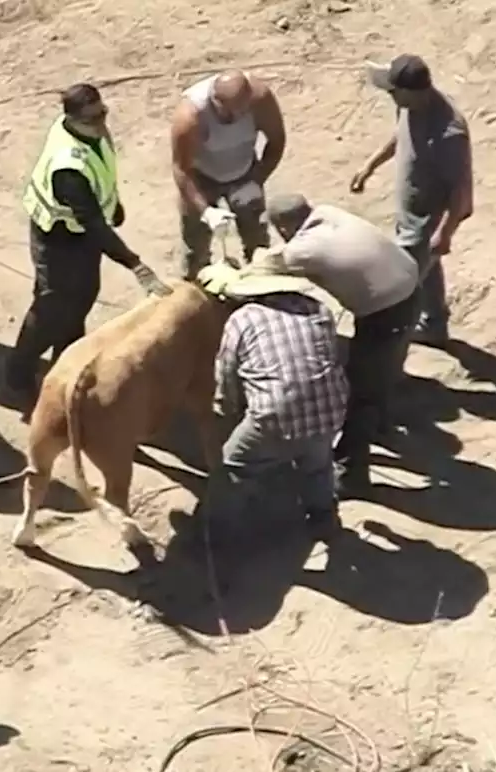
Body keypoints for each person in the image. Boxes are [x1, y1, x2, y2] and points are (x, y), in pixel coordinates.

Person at [6, 83, 171, 403]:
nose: (101, 122)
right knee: (52, 307)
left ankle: (64, 366)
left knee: (81, 300)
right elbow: (92, 224)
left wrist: (115, 204)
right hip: (58, 238)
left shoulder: (90, 134)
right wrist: (135, 264)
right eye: (93, 117)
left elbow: (102, 178)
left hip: (80, 235)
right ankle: (19, 374)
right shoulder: (69, 166)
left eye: (103, 113)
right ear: (72, 119)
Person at [264, 194, 420, 495]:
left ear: (282, 228)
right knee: (381, 372)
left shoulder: (302, 250)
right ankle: (383, 425)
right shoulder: (328, 211)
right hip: (410, 285)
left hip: (385, 309)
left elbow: (271, 266)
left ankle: (351, 473)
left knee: (360, 391)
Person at [195, 260, 348, 546]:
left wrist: (228, 412)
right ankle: (324, 519)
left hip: (275, 416)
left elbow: (227, 375)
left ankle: (217, 536)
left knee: (233, 467)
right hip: (331, 408)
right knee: (317, 464)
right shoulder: (319, 310)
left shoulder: (242, 320)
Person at [349, 54, 473, 345]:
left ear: (413, 91)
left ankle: (397, 337)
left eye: (394, 92)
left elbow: (462, 191)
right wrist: (371, 165)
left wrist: (445, 232)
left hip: (425, 222)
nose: (391, 97)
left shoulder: (449, 133)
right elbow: (400, 135)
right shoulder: (409, 106)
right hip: (409, 211)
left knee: (400, 282)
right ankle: (435, 325)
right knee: (425, 272)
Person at [171, 69, 287, 280]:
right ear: (216, 102)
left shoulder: (260, 99)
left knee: (258, 241)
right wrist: (206, 211)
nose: (238, 118)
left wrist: (257, 180)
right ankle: (195, 288)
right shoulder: (191, 116)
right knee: (195, 246)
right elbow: (181, 169)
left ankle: (261, 284)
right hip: (201, 179)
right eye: (231, 113)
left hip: (245, 172)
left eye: (243, 111)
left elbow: (277, 139)